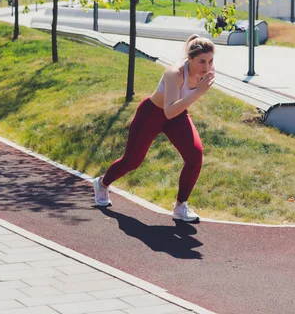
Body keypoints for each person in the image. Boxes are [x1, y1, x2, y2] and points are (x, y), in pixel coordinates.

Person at [93, 34, 216, 223]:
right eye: (201, 61)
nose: (206, 67)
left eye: (210, 61)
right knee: (132, 161)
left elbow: (177, 112)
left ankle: (180, 206)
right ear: (189, 59)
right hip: (152, 114)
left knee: (195, 155)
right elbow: (168, 111)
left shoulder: (205, 72)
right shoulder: (173, 73)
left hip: (178, 116)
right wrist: (199, 92)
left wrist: (199, 89)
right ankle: (102, 183)